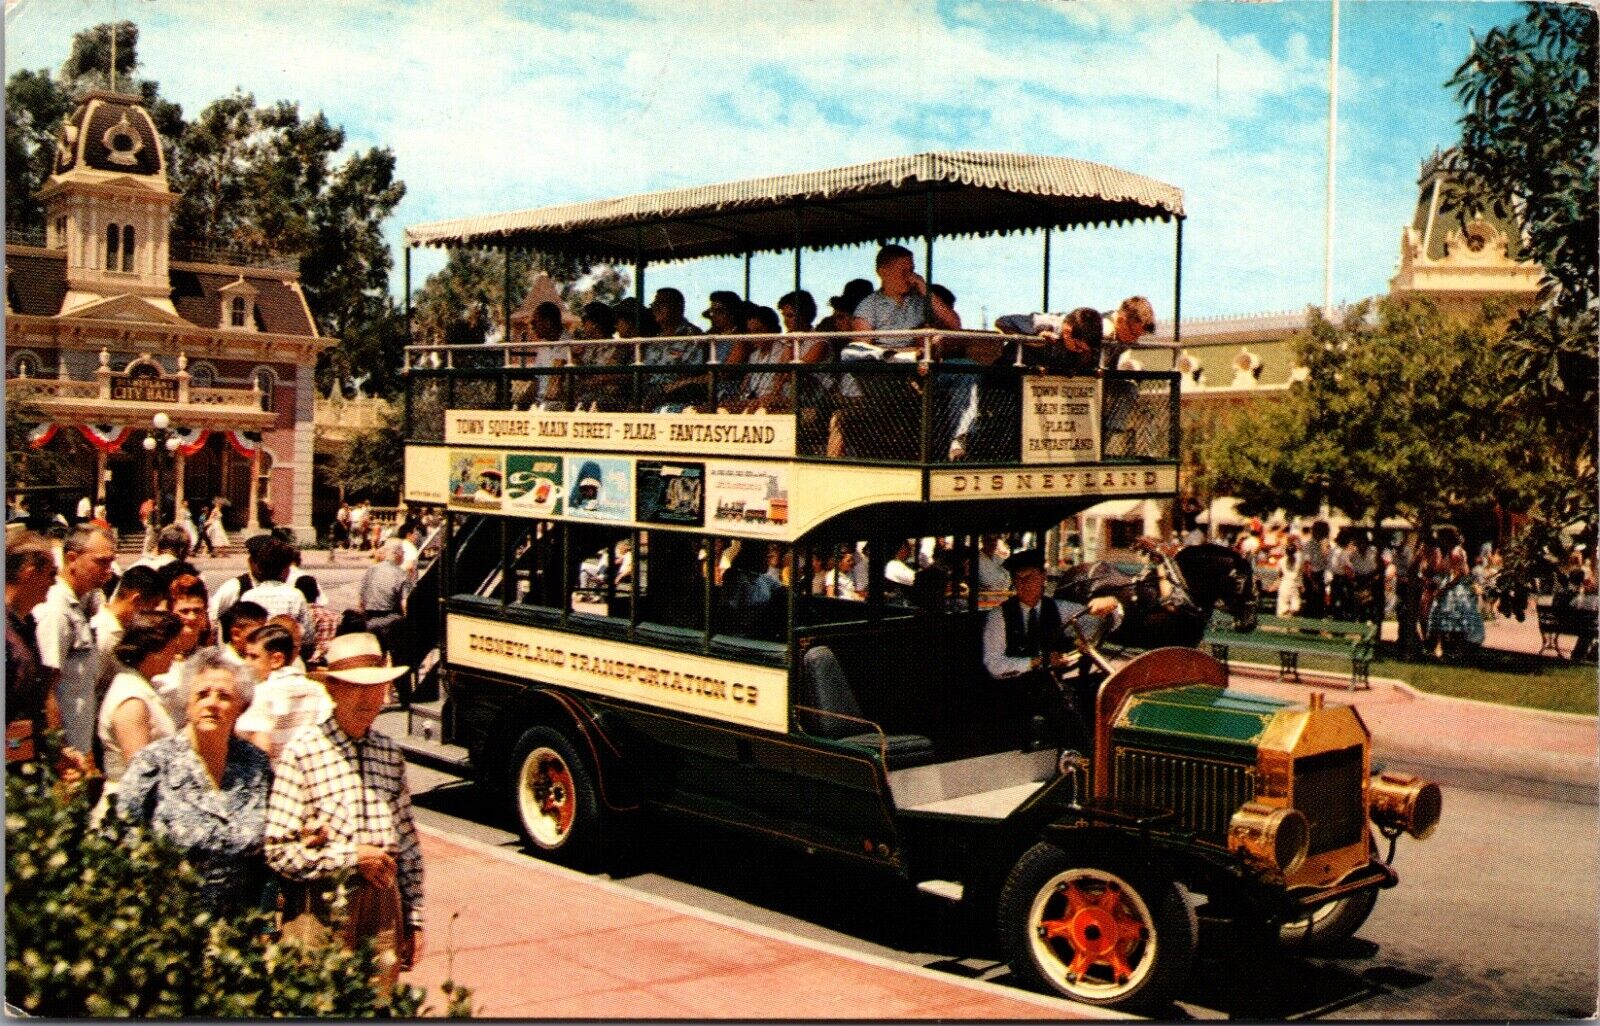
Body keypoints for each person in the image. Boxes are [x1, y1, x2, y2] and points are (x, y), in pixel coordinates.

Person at [265, 633, 424, 994]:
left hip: (383, 907)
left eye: (377, 687)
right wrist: (349, 859)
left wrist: (413, 918)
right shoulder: (303, 753)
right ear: (332, 689)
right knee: (317, 1002)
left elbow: (409, 846)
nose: (369, 698)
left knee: (378, 1006)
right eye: (356, 687)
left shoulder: (389, 753)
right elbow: (277, 848)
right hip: (320, 907)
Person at [111, 652, 273, 916]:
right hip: (169, 922)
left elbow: (265, 854)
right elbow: (120, 840)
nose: (212, 703)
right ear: (187, 704)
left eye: (224, 696)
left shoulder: (255, 764)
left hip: (238, 929)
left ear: (240, 707)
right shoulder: (153, 763)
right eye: (202, 694)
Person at [982, 550, 1122, 751]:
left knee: (1099, 689)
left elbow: (1104, 623)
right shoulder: (998, 617)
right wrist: (1039, 661)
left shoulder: (1060, 609)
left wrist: (1113, 604)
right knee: (1061, 699)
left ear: (1042, 578)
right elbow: (994, 665)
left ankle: (1106, 751)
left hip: (1053, 682)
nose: (1023, 584)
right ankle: (1084, 757)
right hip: (1014, 687)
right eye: (1017, 579)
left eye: (1028, 578)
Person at [35, 526, 117, 755]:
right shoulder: (56, 610)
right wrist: (61, 753)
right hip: (63, 756)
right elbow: (47, 689)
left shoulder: (79, 605)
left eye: (111, 562)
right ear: (72, 558)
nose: (108, 570)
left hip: (79, 747)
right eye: (101, 562)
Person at [97, 611, 185, 786]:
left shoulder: (141, 687)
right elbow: (139, 773)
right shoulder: (131, 700)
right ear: (153, 650)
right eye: (172, 648)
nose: (175, 656)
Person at [7, 531, 69, 768]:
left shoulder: (25, 625)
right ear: (29, 573)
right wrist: (19, 751)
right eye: (51, 573)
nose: (55, 582)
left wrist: (51, 751)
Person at [236, 623, 334, 761]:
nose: (246, 663)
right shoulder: (317, 690)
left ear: (276, 660)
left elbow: (258, 746)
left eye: (253, 657)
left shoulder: (263, 692)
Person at [239, 538, 315, 657]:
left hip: (257, 656)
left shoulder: (249, 595)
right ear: (285, 570)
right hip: (287, 657)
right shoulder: (295, 595)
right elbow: (308, 637)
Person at [1426, 526, 1484, 661]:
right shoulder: (1451, 551)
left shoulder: (1456, 552)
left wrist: (1444, 588)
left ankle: (1454, 651)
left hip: (1453, 587)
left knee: (1452, 617)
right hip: (1449, 584)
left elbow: (1459, 573)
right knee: (1444, 618)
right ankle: (1446, 650)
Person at [359, 539, 410, 655]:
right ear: (398, 553)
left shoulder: (372, 569)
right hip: (390, 620)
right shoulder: (401, 574)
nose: (404, 555)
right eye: (403, 551)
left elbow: (361, 600)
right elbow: (405, 604)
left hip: (369, 619)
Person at [1300, 520, 1333, 618]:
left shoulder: (1325, 544)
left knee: (1320, 605)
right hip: (1312, 576)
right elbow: (1307, 565)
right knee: (1311, 604)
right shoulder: (1309, 545)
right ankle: (1307, 628)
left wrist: (1325, 548)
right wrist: (1313, 582)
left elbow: (1328, 560)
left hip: (1322, 575)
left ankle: (1317, 629)